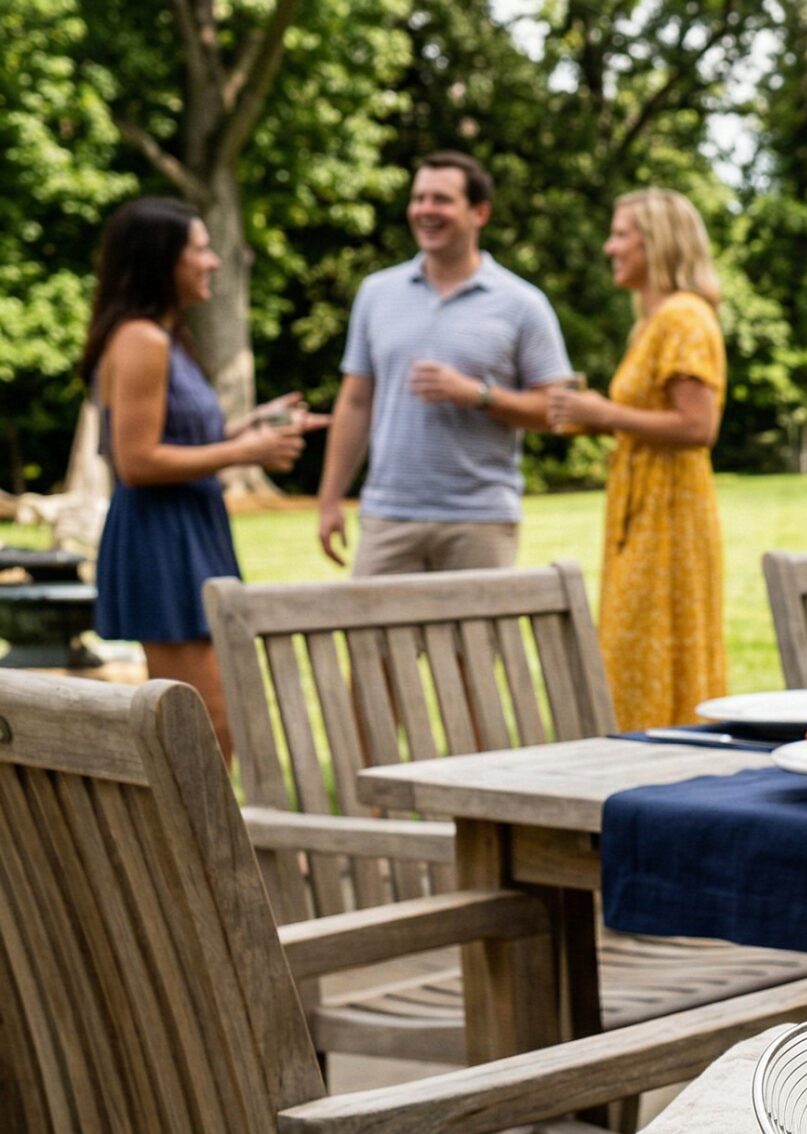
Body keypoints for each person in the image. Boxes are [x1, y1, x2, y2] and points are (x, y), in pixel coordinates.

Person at [82, 197, 324, 759]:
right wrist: (245, 449)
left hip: (191, 531)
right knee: (210, 731)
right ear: (160, 261)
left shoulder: (168, 338)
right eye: (200, 249)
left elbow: (179, 434)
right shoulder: (140, 339)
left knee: (219, 725)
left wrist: (251, 426)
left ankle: (203, 847)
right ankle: (193, 848)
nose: (213, 261)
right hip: (162, 540)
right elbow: (136, 461)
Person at [316, 151, 574, 575]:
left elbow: (559, 411)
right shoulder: (376, 293)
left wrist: (478, 395)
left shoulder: (522, 304)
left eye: (441, 200)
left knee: (471, 645)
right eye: (419, 199)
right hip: (389, 516)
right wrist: (329, 500)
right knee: (374, 643)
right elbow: (355, 403)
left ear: (480, 212)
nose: (425, 211)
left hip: (480, 519)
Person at [547, 189, 729, 730]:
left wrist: (604, 414)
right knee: (633, 650)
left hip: (670, 517)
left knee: (659, 646)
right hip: (645, 513)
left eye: (622, 234)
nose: (610, 246)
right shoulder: (650, 323)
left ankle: (669, 764)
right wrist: (593, 415)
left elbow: (699, 427)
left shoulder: (684, 317)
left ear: (659, 243)